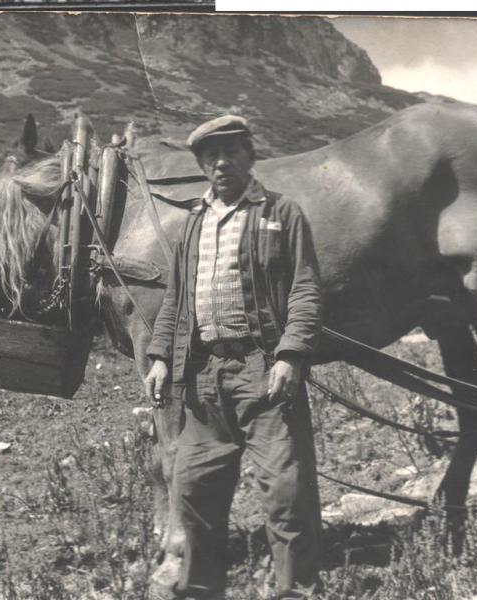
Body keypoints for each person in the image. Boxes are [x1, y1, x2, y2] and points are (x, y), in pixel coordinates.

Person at [144, 115, 323, 599]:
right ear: (201, 165)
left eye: (231, 152)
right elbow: (176, 301)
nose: (221, 163)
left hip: (263, 373)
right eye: (210, 156)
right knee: (194, 491)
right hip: (205, 378)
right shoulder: (193, 223)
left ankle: (297, 591)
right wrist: (160, 356)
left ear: (250, 156)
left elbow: (305, 289)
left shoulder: (281, 214)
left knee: (287, 494)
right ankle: (202, 589)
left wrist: (290, 354)